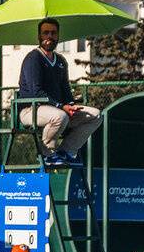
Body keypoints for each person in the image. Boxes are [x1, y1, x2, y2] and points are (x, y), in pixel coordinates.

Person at [18, 18, 102, 167]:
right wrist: (61, 106)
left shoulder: (61, 61)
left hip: (58, 111)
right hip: (30, 110)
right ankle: (47, 154)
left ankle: (66, 151)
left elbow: (65, 90)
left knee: (95, 115)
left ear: (58, 36)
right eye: (45, 33)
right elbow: (35, 92)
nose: (49, 36)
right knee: (60, 116)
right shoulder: (33, 58)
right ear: (39, 36)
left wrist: (71, 105)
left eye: (53, 33)